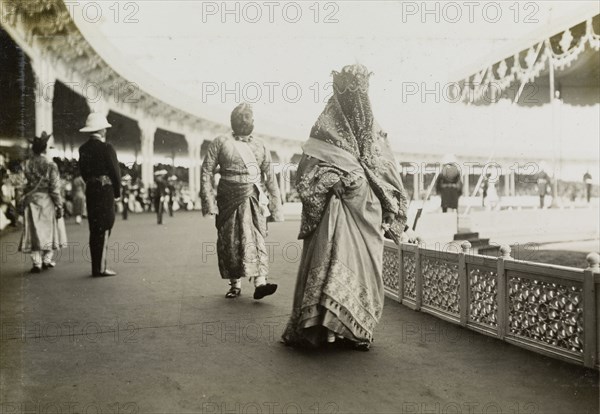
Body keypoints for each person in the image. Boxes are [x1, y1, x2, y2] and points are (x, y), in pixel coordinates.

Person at [281, 64, 412, 351]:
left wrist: (389, 204)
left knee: (364, 268)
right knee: (331, 260)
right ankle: (327, 329)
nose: (354, 102)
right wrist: (331, 180)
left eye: (359, 95)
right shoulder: (324, 127)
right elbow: (308, 169)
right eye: (348, 95)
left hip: (367, 212)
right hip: (336, 209)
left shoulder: (375, 131)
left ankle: (355, 329)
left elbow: (387, 167)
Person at [200, 102, 284, 299]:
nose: (245, 122)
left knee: (256, 238)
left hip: (253, 197)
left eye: (248, 119)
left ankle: (260, 282)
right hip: (227, 198)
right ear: (233, 122)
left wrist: (276, 206)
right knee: (230, 239)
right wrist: (209, 202)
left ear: (253, 122)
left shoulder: (261, 144)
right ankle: (235, 284)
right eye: (241, 119)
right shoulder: (220, 142)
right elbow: (206, 171)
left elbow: (270, 176)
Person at [18, 132, 68, 273]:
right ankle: (47, 259)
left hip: (31, 200)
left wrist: (20, 201)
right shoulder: (51, 165)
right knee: (48, 230)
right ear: (45, 149)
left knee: (33, 231)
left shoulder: (26, 164)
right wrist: (59, 204)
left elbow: (21, 185)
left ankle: (36, 262)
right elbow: (54, 188)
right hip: (47, 200)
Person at [78, 113, 121, 277]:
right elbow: (115, 172)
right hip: (105, 191)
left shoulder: (83, 149)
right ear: (102, 130)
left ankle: (96, 266)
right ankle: (101, 268)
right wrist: (117, 192)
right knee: (105, 225)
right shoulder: (107, 148)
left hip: (91, 190)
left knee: (94, 228)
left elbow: (83, 172)